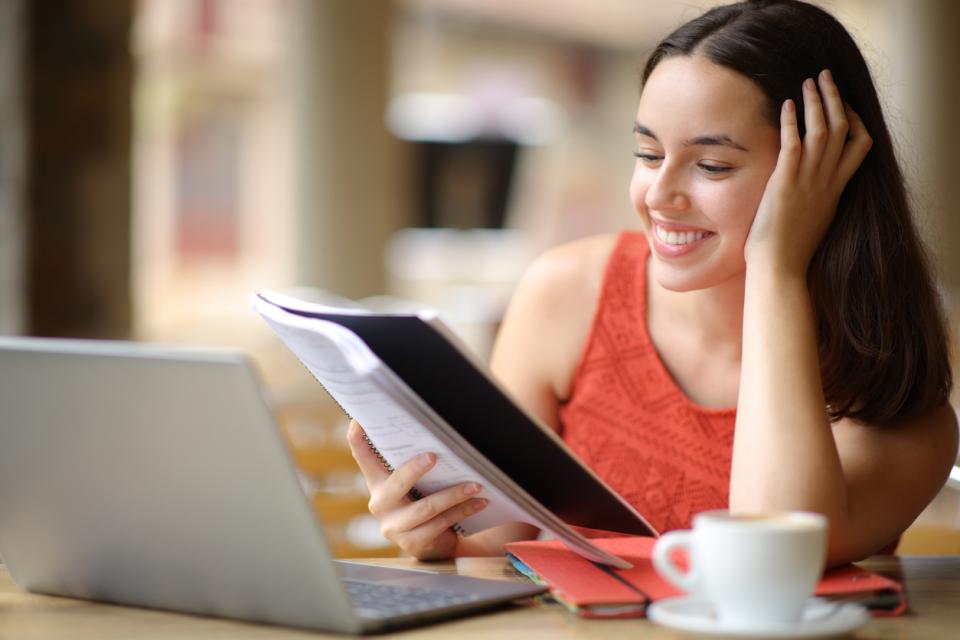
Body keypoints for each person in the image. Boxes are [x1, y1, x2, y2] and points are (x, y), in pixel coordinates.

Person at [346, 0, 958, 567]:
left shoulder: (902, 415)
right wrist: (433, 533)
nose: (660, 195)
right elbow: (497, 547)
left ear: (827, 171)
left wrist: (777, 267)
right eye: (647, 154)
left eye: (712, 165)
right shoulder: (568, 294)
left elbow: (775, 552)